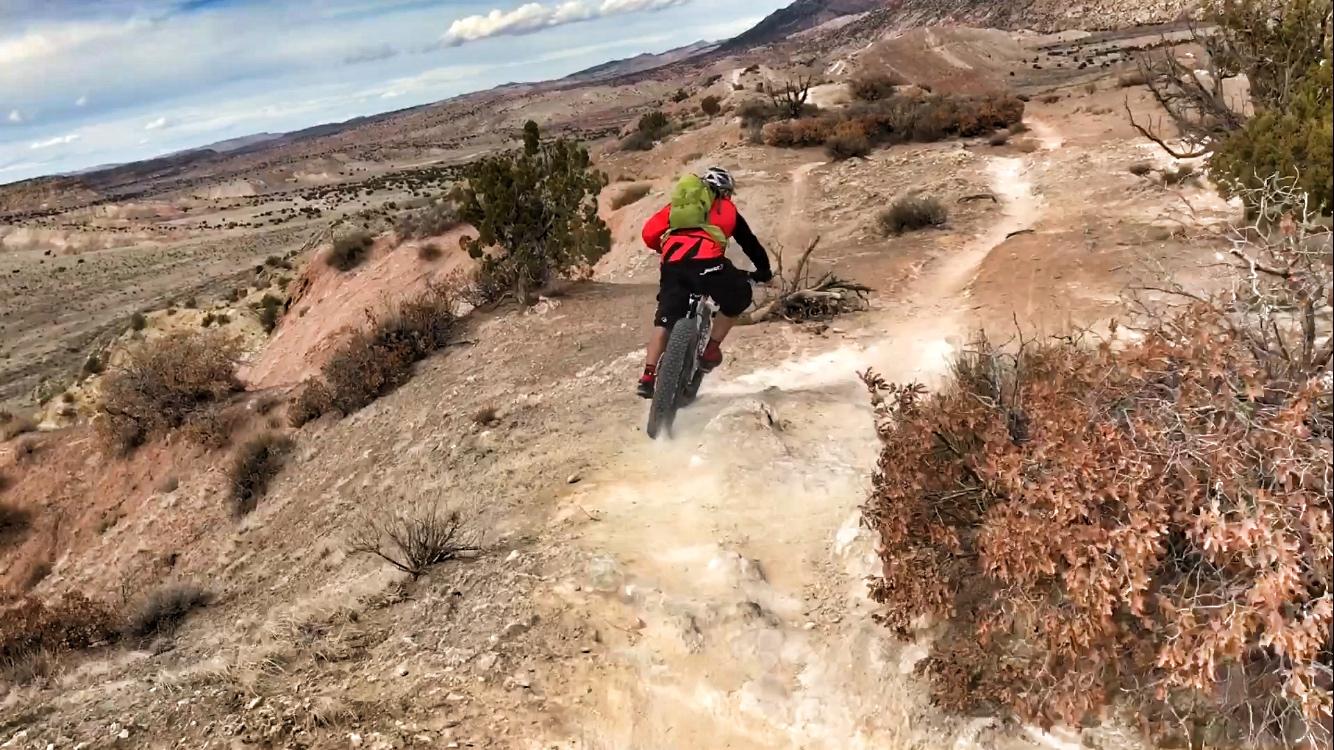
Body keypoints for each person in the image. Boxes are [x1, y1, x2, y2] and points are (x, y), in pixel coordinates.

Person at [637, 167, 773, 398]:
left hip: (672, 264)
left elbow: (649, 233)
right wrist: (764, 271)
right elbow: (748, 242)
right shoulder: (725, 208)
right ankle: (710, 349)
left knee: (665, 320)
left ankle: (647, 376)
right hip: (708, 263)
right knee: (738, 295)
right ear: (724, 192)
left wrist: (666, 248)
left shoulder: (676, 208)